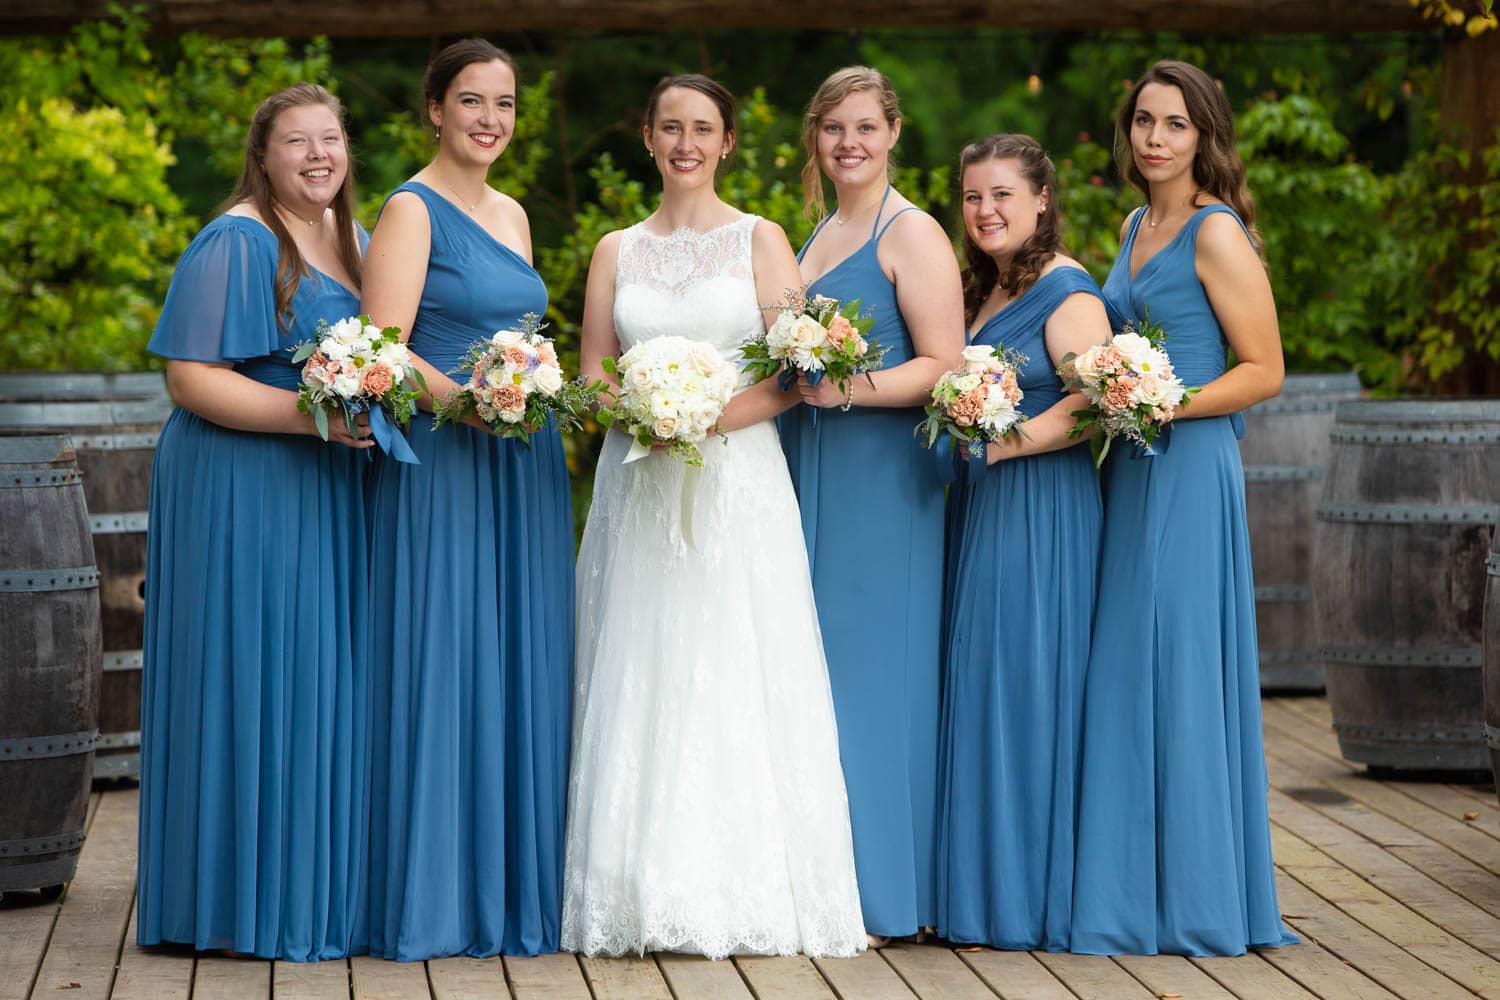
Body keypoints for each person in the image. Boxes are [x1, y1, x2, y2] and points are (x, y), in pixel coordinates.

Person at [562, 74, 865, 960]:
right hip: (639, 479)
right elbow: (593, 372)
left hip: (739, 482)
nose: (686, 142)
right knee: (642, 662)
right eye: (670, 127)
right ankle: (635, 890)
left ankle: (748, 891)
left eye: (703, 128)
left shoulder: (761, 239)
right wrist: (645, 416)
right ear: (648, 140)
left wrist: (698, 418)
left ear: (728, 141)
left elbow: (794, 373)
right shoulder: (616, 248)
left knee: (736, 659)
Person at [137, 83, 372, 961]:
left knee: (312, 679)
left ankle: (306, 888)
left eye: (332, 140)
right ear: (263, 155)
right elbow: (191, 379)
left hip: (321, 485)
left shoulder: (352, 239)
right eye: (297, 143)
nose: (319, 156)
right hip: (241, 481)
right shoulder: (237, 240)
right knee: (250, 673)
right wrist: (311, 417)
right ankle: (234, 905)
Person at [1070, 59, 1297, 957]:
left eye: (1174, 124)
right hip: (1130, 466)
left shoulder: (1215, 233)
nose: (1154, 138)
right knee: (1128, 667)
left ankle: (1197, 898)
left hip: (1189, 463)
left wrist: (1166, 403)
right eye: (1143, 122)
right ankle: (1133, 891)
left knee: (1179, 669)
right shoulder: (1133, 224)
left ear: (1204, 136)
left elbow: (1264, 371)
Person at [359, 39, 574, 960]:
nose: (491, 120)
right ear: (435, 110)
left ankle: (512, 889)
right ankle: (441, 895)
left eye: (506, 104)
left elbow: (524, 331)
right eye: (473, 102)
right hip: (450, 459)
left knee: (518, 659)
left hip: (521, 461)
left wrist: (524, 393)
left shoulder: (516, 213)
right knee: (450, 654)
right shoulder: (411, 209)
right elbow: (381, 342)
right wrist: (471, 405)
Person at [779, 65, 963, 945]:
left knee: (873, 680)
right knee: (816, 683)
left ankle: (890, 893)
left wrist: (848, 388)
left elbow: (944, 364)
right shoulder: (814, 233)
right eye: (833, 130)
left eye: (865, 128)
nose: (848, 143)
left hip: (882, 483)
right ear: (815, 139)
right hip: (809, 470)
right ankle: (828, 887)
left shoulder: (912, 232)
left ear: (893, 133)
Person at [935, 134, 1108, 952]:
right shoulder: (991, 288)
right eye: (972, 197)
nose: (985, 211)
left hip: (1041, 509)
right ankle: (981, 892)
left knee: (1026, 686)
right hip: (987, 505)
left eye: (1002, 194)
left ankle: (1029, 899)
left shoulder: (1066, 288)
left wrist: (1008, 444)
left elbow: (1094, 401)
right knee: (985, 687)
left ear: (1042, 198)